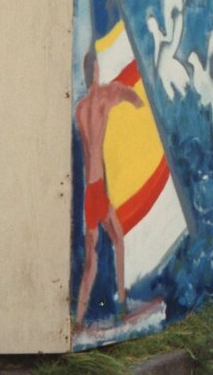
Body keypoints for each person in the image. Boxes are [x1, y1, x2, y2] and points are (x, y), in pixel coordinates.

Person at [75, 50, 143, 326]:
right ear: (96, 71)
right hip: (99, 188)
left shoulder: (80, 108)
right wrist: (138, 102)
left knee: (91, 263)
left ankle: (78, 319)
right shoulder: (105, 95)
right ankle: (124, 303)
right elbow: (132, 97)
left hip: (90, 193)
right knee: (117, 241)